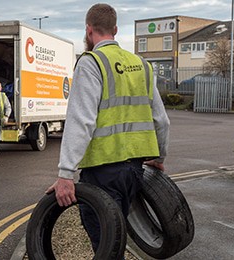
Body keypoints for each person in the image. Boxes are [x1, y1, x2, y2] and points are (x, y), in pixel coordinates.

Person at [45, 3, 170, 257]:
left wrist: (66, 174)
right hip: (134, 172)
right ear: (115, 30)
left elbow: (81, 120)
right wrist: (159, 157)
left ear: (88, 30)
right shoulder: (142, 65)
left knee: (106, 246)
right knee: (116, 239)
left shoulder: (91, 62)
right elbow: (162, 120)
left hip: (102, 173)